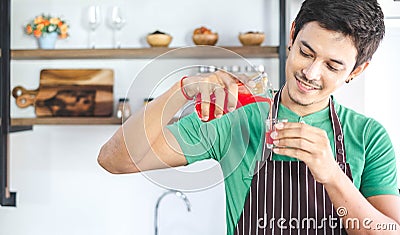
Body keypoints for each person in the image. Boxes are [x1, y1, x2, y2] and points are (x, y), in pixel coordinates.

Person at [98, 0, 400, 234]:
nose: (310, 73)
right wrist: (182, 90)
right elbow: (114, 159)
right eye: (306, 53)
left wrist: (333, 177)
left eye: (332, 66)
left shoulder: (368, 136)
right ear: (293, 34)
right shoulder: (236, 115)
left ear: (357, 70)